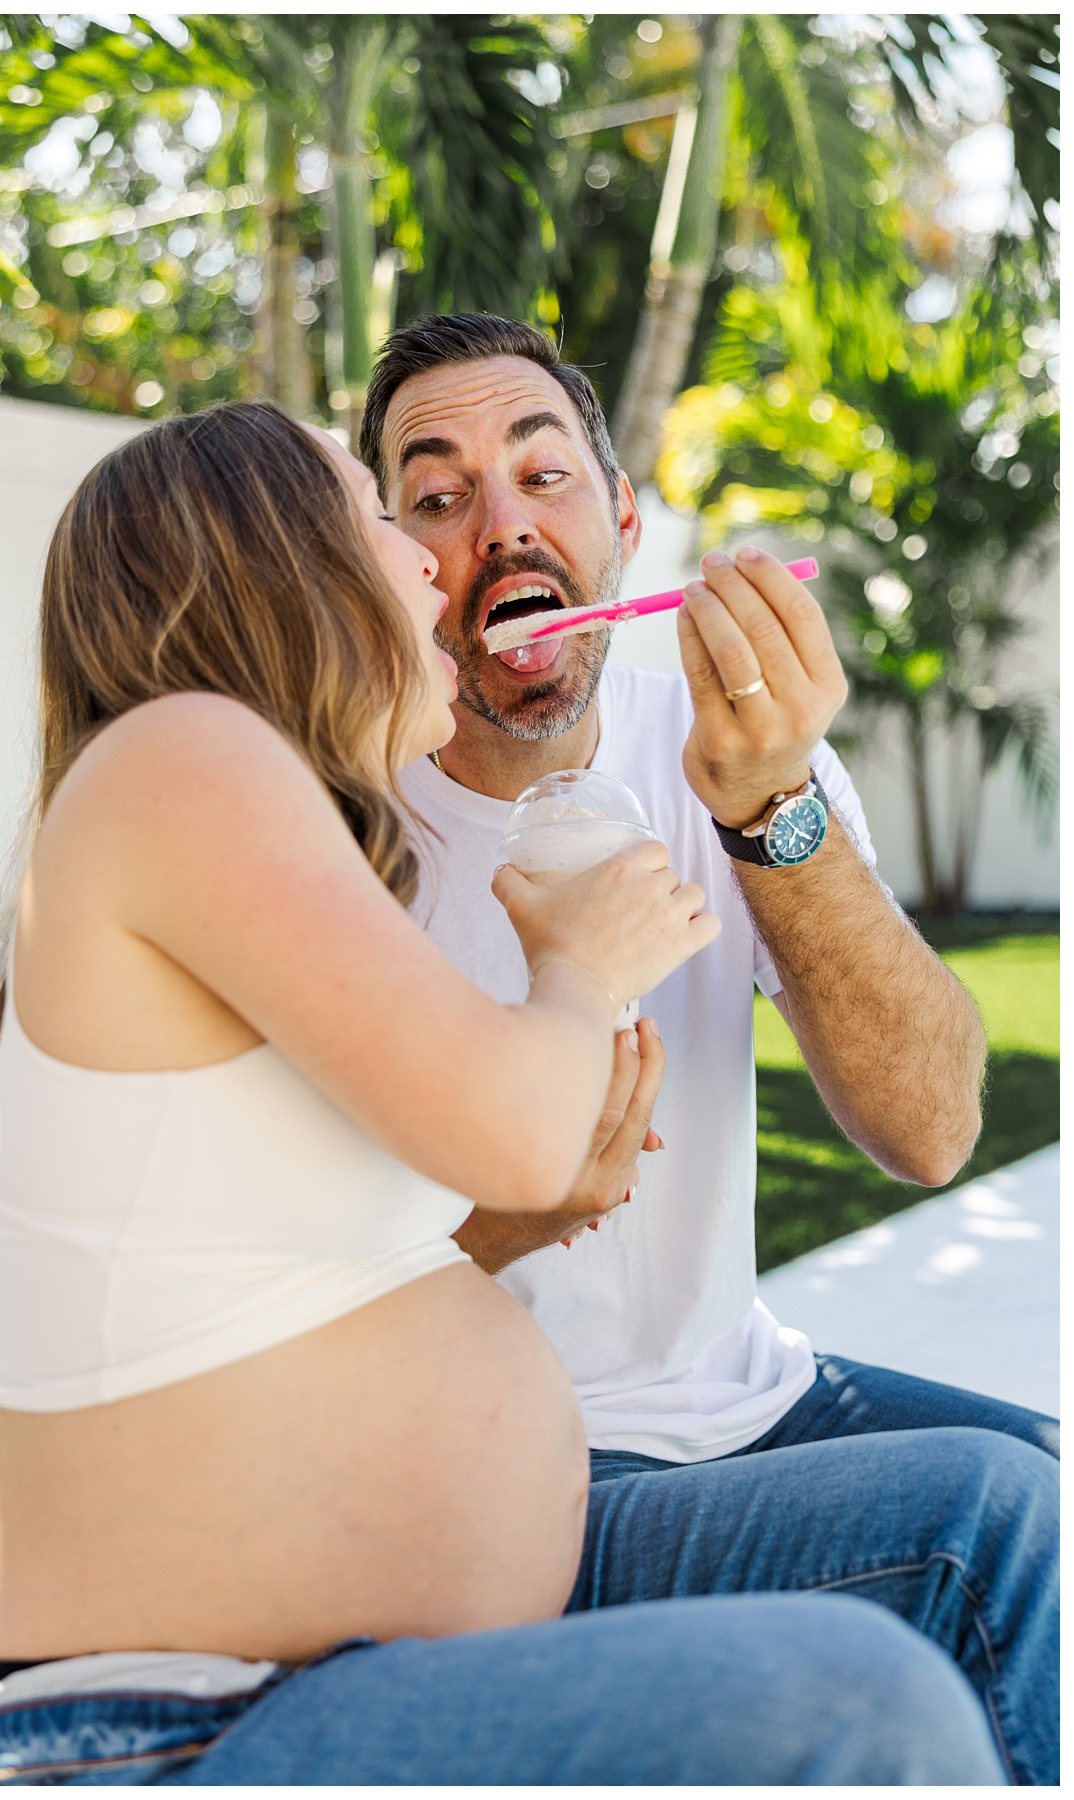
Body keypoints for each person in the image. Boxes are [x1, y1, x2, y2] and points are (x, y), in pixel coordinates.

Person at [0, 398, 1011, 1786]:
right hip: (169, 1721)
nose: (433, 563)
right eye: (394, 513)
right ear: (289, 566)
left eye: (538, 474)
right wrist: (577, 965)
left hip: (348, 1644)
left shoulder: (276, 815)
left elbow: (316, 1262)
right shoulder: (185, 755)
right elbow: (511, 1130)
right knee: (854, 1706)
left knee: (990, 1511)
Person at [354, 313, 1059, 1784]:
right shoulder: (335, 820)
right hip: (499, 1471)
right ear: (387, 559)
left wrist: (766, 809)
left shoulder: (724, 741)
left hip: (745, 1391)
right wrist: (504, 1218)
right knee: (996, 1522)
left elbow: (928, 1128)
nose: (498, 526)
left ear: (622, 523)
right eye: (436, 495)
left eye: (543, 477)